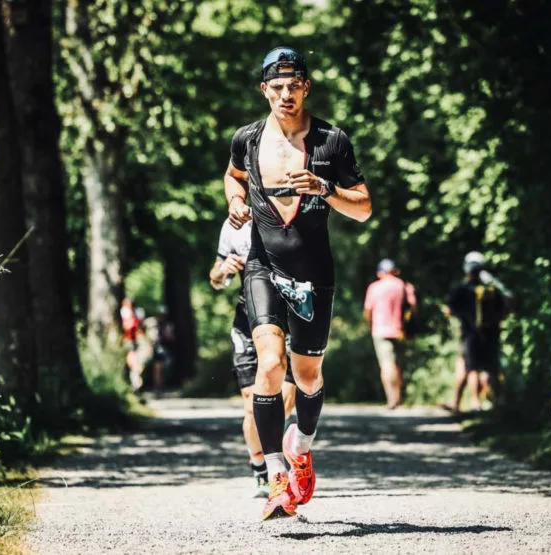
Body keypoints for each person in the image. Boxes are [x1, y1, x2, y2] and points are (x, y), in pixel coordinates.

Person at [225, 46, 372, 519]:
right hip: (262, 266)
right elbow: (233, 177)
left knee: (307, 376)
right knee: (269, 364)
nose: (285, 94)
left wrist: (325, 190)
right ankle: (275, 477)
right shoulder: (246, 139)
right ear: (263, 89)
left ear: (306, 87)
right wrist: (235, 201)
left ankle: (302, 447)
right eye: (277, 86)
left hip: (314, 273)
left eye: (294, 86)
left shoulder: (332, 140)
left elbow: (364, 207)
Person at [209, 217, 296, 497]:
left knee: (285, 399)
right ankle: (261, 467)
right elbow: (215, 277)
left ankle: (280, 460)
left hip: (289, 314)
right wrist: (223, 271)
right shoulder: (234, 223)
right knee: (250, 403)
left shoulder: (289, 211)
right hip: (247, 318)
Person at [445, 251, 509, 412]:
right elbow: (505, 309)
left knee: (472, 368)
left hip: (470, 335)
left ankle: (475, 402)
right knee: (489, 368)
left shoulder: (462, 288)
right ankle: (491, 401)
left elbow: (449, 310)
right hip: (491, 333)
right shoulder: (492, 288)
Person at [363, 258, 417, 409]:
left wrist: (370, 325)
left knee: (386, 365)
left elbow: (368, 311)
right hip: (400, 330)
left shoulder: (374, 287)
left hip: (380, 330)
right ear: (395, 271)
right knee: (398, 364)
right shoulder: (404, 285)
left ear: (380, 273)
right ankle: (398, 397)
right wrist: (408, 325)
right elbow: (414, 308)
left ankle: (391, 399)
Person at [120, 297, 152, 393]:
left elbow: (140, 328)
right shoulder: (124, 314)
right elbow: (127, 327)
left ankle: (136, 386)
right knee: (133, 364)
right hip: (128, 341)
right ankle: (135, 386)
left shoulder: (137, 314)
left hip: (136, 342)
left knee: (136, 364)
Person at [144, 306, 175, 396]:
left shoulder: (168, 325)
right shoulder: (154, 325)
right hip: (158, 348)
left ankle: (161, 385)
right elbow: (151, 336)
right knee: (157, 368)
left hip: (166, 348)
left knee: (164, 368)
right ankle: (158, 386)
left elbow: (171, 338)